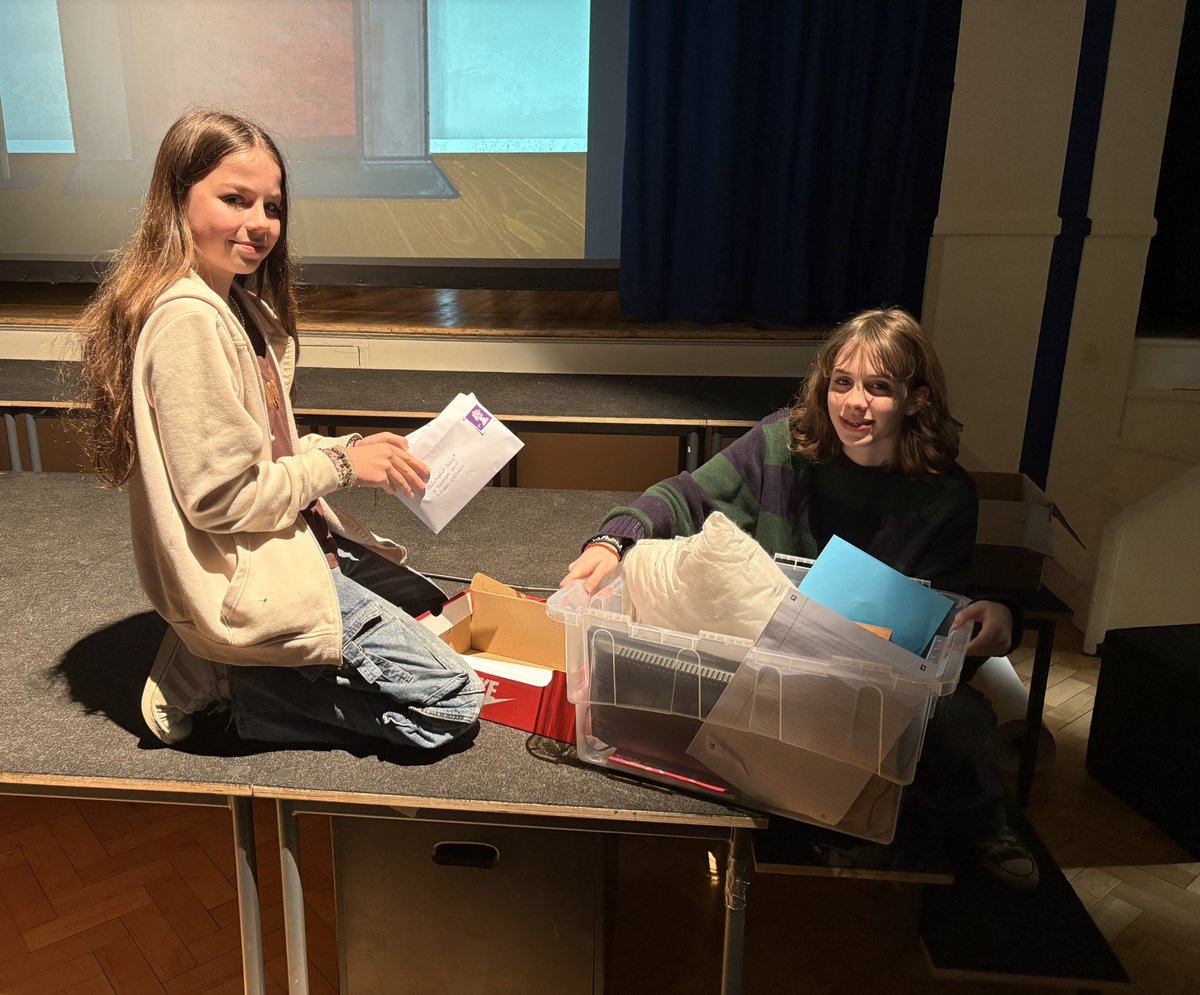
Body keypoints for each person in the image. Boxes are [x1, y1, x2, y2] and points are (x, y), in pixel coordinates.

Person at [561, 307, 1039, 890]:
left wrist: (993, 615)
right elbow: (684, 495)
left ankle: (983, 822)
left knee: (958, 723)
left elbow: (942, 611)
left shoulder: (945, 493)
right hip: (765, 657)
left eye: (879, 388)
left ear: (916, 400)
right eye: (843, 383)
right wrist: (614, 539)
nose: (854, 403)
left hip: (867, 675)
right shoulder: (781, 444)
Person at [77, 110, 483, 752]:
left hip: (287, 538)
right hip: (252, 562)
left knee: (432, 608)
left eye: (272, 205)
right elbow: (223, 499)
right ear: (175, 201)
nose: (259, 223)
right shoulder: (188, 320)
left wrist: (348, 450)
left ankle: (236, 660)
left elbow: (265, 455)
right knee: (453, 703)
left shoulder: (240, 306)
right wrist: (343, 468)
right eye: (234, 200)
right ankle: (247, 693)